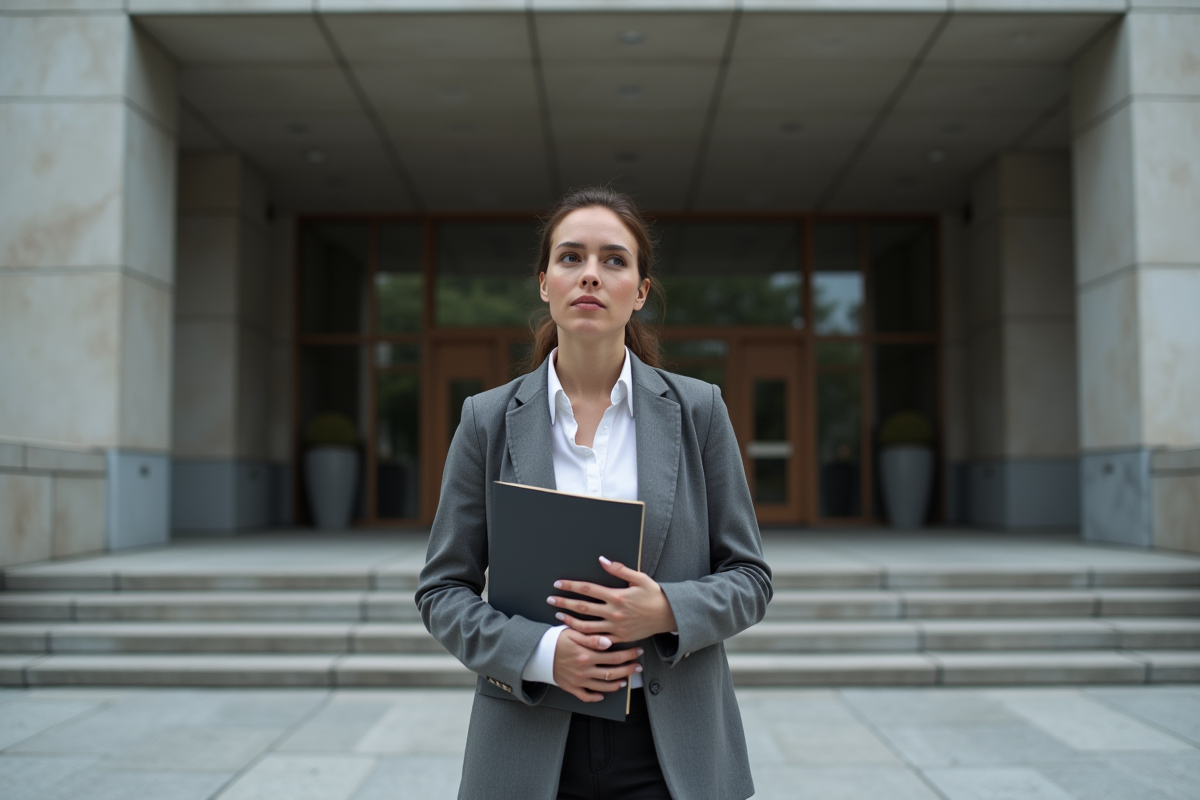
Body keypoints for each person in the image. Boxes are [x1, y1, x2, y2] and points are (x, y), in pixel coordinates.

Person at [416, 187, 772, 800]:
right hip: (529, 743)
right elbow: (442, 590)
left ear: (640, 291)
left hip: (671, 748)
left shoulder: (699, 411)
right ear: (544, 283)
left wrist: (666, 610)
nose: (590, 275)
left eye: (613, 260)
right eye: (570, 257)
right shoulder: (486, 419)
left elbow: (750, 578)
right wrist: (540, 651)